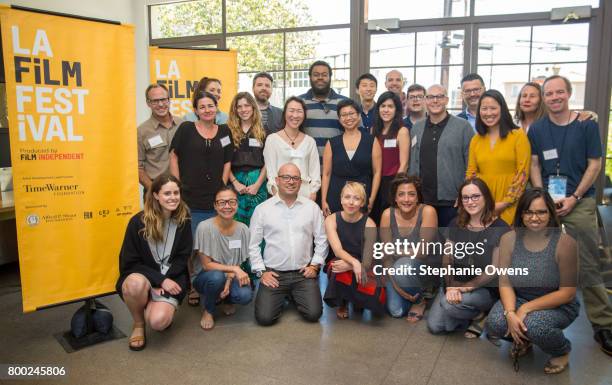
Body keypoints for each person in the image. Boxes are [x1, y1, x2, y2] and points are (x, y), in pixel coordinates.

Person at [528, 75, 612, 356]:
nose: (554, 97)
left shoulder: (586, 124)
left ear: (569, 93)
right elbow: (535, 164)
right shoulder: (537, 129)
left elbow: (595, 163)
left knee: (588, 262)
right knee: (539, 260)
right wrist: (541, 198)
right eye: (549, 93)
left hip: (580, 202)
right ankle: (536, 319)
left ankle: (603, 325)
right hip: (548, 204)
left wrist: (575, 197)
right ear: (544, 97)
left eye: (559, 92)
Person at [486, 188, 579, 374]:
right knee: (496, 322)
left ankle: (561, 351)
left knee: (536, 326)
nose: (534, 218)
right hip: (520, 298)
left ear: (550, 213)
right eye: (528, 212)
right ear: (521, 214)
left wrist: (525, 309)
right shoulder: (509, 239)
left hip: (557, 304)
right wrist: (511, 312)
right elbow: (504, 280)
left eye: (541, 212)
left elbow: (567, 293)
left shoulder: (565, 243)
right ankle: (524, 340)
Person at [116, 174, 192, 351]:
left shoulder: (184, 219)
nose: (173, 197)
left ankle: (154, 305)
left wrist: (166, 281)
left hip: (172, 277)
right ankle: (138, 324)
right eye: (167, 193)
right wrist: (159, 280)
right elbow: (129, 263)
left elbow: (183, 256)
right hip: (144, 277)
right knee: (134, 285)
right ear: (156, 195)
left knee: (158, 322)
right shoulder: (137, 222)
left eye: (176, 192)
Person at [427, 178, 510, 337]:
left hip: (484, 289)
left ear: (486, 197)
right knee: (436, 326)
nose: (470, 202)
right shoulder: (455, 223)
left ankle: (484, 312)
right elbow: (447, 259)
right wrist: (450, 285)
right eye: (465, 198)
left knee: (448, 306)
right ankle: (475, 315)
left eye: (475, 196)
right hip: (454, 283)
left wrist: (465, 288)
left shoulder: (501, 228)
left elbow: (494, 269)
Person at [250, 163, 328, 326]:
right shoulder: (262, 210)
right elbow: (253, 245)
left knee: (314, 314)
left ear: (300, 183)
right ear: (277, 180)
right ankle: (285, 295)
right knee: (265, 318)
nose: (290, 181)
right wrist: (261, 272)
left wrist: (314, 266)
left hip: (303, 274)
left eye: (295, 178)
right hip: (274, 275)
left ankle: (293, 294)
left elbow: (322, 240)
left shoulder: (312, 208)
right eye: (286, 177)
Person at [408, 84, 474, 226]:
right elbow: (413, 161)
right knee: (425, 245)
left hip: (452, 201)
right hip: (422, 200)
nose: (435, 101)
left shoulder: (463, 127)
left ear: (447, 100)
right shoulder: (417, 127)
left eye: (440, 96)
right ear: (426, 100)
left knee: (450, 244)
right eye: (431, 97)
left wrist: (466, 194)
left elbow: (471, 163)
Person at [169, 91, 233, 232]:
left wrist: (222, 183)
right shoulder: (186, 128)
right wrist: (176, 184)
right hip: (190, 197)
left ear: (216, 107)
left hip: (216, 198)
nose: (207, 110)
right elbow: (173, 155)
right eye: (202, 107)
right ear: (196, 111)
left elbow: (227, 160)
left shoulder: (224, 131)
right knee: (192, 244)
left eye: (210, 106)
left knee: (214, 242)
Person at [192, 186, 253, 330]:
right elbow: (207, 265)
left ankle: (227, 299)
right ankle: (209, 310)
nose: (227, 206)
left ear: (237, 204)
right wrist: (234, 269)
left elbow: (237, 262)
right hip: (206, 277)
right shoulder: (204, 227)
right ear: (215, 205)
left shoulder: (243, 229)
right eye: (222, 202)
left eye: (232, 202)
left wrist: (230, 279)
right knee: (216, 278)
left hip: (229, 275)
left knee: (245, 295)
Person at [466, 89, 531, 224]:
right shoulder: (476, 140)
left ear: (502, 110)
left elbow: (523, 173)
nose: (488, 113)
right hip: (482, 201)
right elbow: (471, 173)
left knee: (507, 241)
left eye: (493, 108)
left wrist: (505, 202)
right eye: (484, 109)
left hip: (511, 201)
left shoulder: (518, 135)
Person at [380, 174, 437, 321]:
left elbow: (423, 253)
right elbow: (386, 258)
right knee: (396, 311)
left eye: (411, 194)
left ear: (418, 197)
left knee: (403, 265)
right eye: (401, 195)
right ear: (395, 198)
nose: (406, 199)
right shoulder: (387, 215)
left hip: (424, 269)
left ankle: (420, 300)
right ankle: (409, 293)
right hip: (396, 271)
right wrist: (396, 286)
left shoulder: (427, 212)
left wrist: (395, 251)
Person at [323, 182, 381, 318]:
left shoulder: (370, 223)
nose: (351, 202)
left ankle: (357, 300)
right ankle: (342, 303)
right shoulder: (331, 220)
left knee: (376, 303)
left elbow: (367, 260)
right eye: (347, 197)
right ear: (341, 199)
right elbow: (337, 250)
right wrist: (353, 263)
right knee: (337, 266)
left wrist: (353, 265)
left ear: (362, 203)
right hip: (341, 258)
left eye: (356, 198)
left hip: (364, 263)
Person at [321, 98, 382, 216]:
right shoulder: (332, 143)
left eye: (351, 113)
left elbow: (377, 172)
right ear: (339, 119)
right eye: (343, 115)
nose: (348, 118)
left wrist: (372, 198)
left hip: (362, 198)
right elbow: (326, 174)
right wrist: (323, 200)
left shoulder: (371, 141)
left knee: (362, 232)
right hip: (336, 198)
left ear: (359, 116)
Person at [263, 97, 320, 200]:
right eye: (291, 111)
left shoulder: (310, 142)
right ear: (284, 113)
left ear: (304, 115)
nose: (295, 115)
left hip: (305, 196)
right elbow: (271, 174)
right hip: (280, 196)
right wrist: (279, 198)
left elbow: (315, 174)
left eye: (299, 111)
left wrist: (312, 195)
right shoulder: (272, 140)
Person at [226, 92, 268, 225]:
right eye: (239, 106)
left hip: (258, 184)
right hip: (235, 183)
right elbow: (223, 160)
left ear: (253, 107)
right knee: (235, 224)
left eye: (247, 105)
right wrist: (235, 182)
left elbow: (269, 162)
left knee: (258, 225)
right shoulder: (227, 131)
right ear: (235, 109)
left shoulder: (264, 130)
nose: (243, 110)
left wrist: (257, 184)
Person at [370, 91, 410, 223]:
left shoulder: (402, 131)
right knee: (375, 218)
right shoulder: (373, 130)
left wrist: (396, 188)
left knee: (389, 221)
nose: (386, 110)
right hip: (375, 181)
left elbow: (404, 164)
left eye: (390, 106)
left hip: (392, 182)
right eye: (383, 106)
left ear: (396, 110)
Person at [137, 84, 183, 192]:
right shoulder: (141, 131)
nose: (160, 104)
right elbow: (138, 168)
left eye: (163, 99)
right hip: (155, 192)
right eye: (155, 101)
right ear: (148, 103)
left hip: (183, 190)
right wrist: (155, 191)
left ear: (169, 100)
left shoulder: (183, 125)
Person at [299, 60, 348, 158]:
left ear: (330, 77)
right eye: (316, 74)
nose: (320, 78)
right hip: (306, 165)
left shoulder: (345, 103)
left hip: (337, 167)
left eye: (324, 75)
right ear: (310, 77)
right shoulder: (299, 103)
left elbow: (357, 135)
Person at [515, 81, 597, 134]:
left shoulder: (551, 123)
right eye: (524, 96)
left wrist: (591, 114)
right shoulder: (512, 124)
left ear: (542, 100)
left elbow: (568, 117)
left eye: (532, 96)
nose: (527, 100)